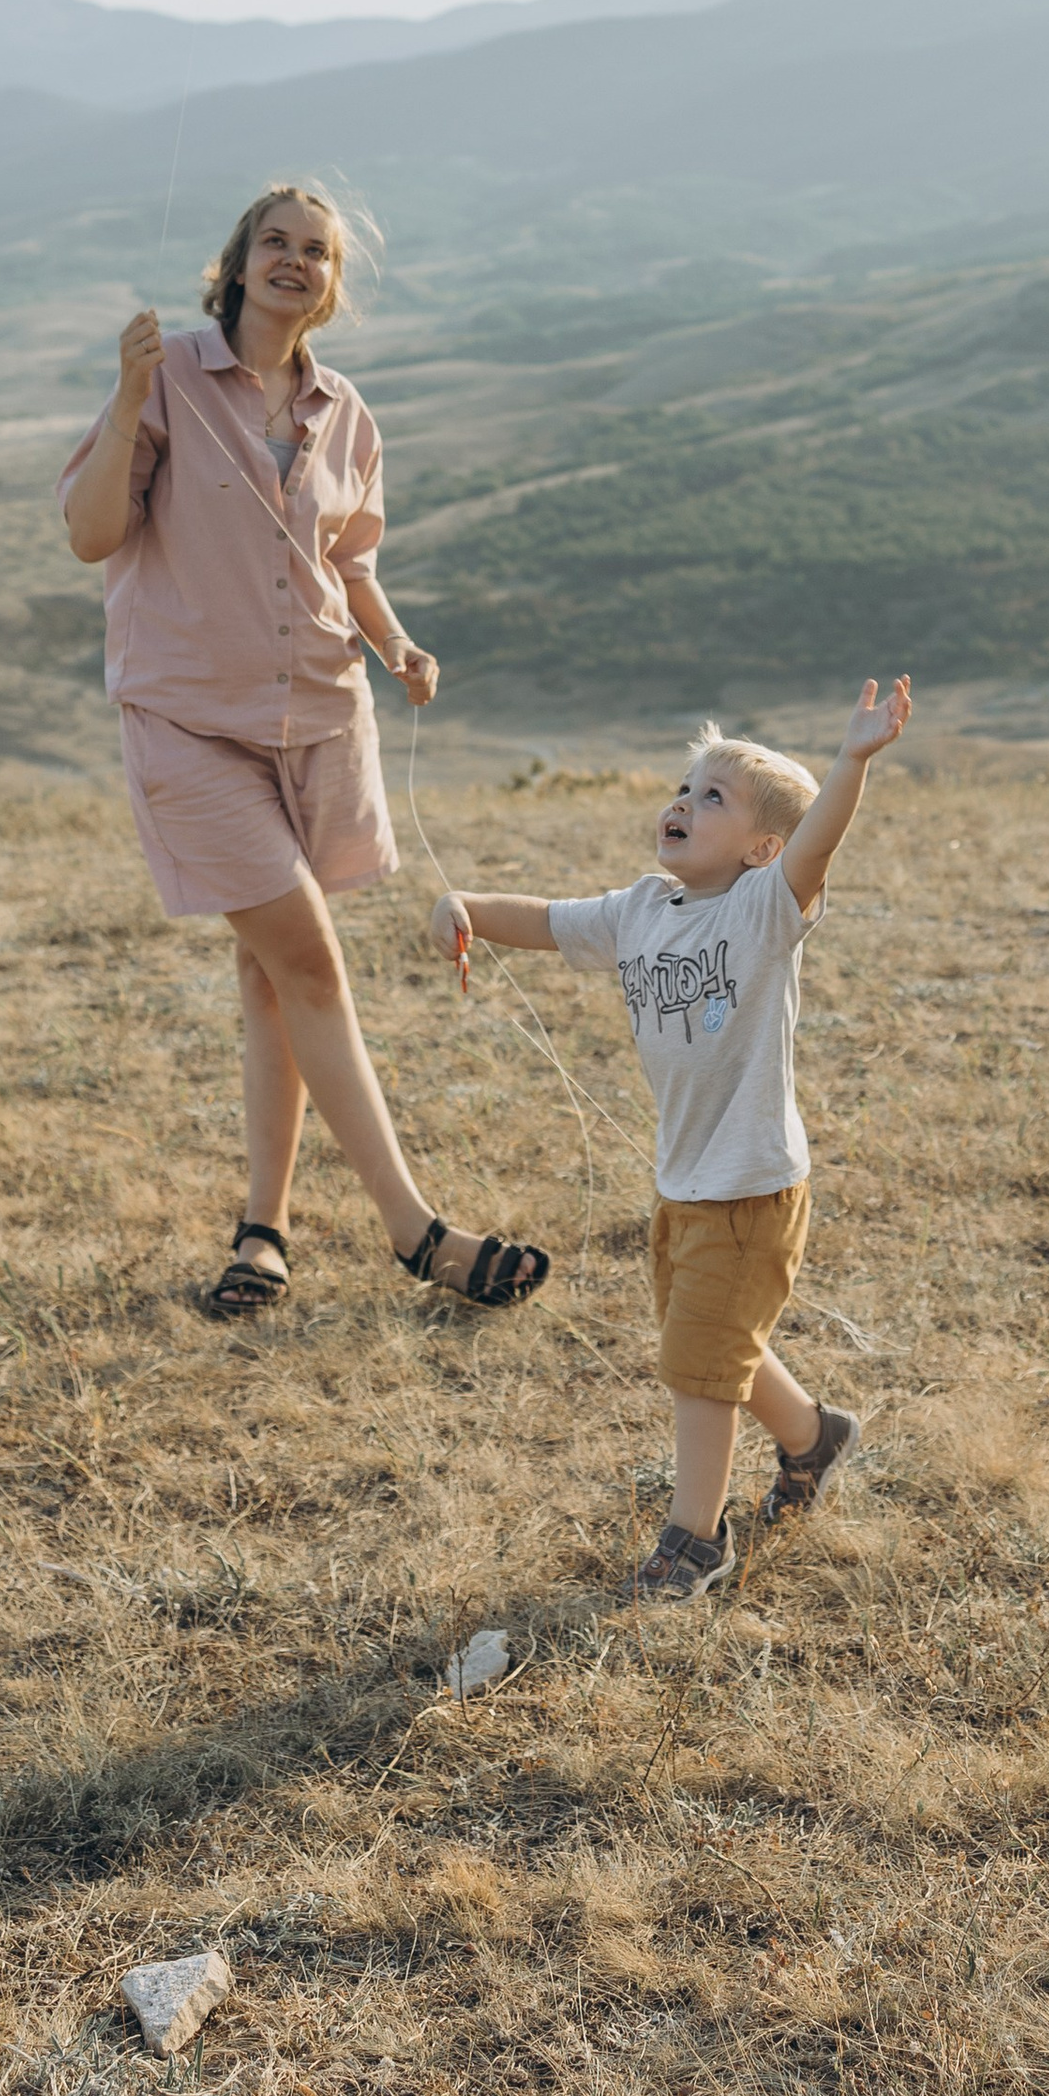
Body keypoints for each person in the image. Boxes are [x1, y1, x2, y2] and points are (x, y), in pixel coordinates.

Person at [60, 180, 548, 1319]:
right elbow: (92, 536)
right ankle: (416, 1232)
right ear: (235, 264)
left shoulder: (346, 410)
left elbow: (351, 556)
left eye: (316, 252)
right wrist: (129, 393)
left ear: (332, 285)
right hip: (189, 725)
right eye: (274, 242)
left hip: (322, 720)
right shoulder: (170, 377)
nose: (294, 261)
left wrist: (395, 642)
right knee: (312, 960)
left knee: (270, 976)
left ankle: (262, 1231)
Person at [429, 679, 910, 1597]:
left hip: (750, 1187)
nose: (684, 803)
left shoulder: (764, 911)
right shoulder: (642, 909)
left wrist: (851, 760)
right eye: (685, 786)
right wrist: (467, 908)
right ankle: (814, 1436)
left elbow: (818, 845)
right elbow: (545, 919)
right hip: (684, 1183)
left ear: (763, 849)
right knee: (711, 1337)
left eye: (713, 798)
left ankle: (697, 1537)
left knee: (700, 1363)